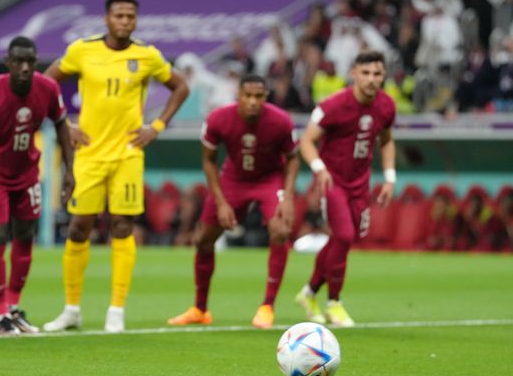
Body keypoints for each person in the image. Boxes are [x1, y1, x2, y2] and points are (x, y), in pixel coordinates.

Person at [42, 0, 189, 333]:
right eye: (119, 15)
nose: (125, 21)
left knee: (122, 226)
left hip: (127, 154)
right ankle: (71, 309)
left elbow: (180, 87)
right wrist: (66, 124)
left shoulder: (147, 55)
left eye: (130, 16)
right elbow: (45, 84)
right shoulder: (83, 50)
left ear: (135, 20)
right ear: (107, 18)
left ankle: (116, 310)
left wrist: (157, 126)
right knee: (79, 227)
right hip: (89, 153)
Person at [167, 75, 300, 329]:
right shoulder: (218, 119)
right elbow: (208, 161)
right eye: (247, 96)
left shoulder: (281, 121)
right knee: (203, 239)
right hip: (233, 178)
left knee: (280, 230)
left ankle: (267, 306)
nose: (252, 102)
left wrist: (289, 197)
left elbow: (292, 158)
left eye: (258, 97)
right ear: (238, 95)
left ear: (266, 98)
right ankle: (200, 309)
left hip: (269, 179)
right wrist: (220, 202)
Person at [0, 36, 75, 334]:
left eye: (30, 62)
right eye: (18, 61)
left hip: (28, 174)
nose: (25, 67)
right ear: (8, 63)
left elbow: (61, 124)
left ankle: (14, 307)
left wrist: (70, 170)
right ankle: (0, 314)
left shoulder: (47, 89)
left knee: (25, 236)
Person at [295, 50, 396, 328]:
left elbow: (386, 140)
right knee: (344, 235)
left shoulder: (386, 106)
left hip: (360, 184)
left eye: (377, 74)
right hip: (333, 182)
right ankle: (334, 303)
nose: (371, 79)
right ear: (353, 74)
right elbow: (306, 141)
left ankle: (309, 293)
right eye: (365, 73)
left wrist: (389, 177)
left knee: (344, 240)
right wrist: (319, 169)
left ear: (383, 76)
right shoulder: (333, 105)